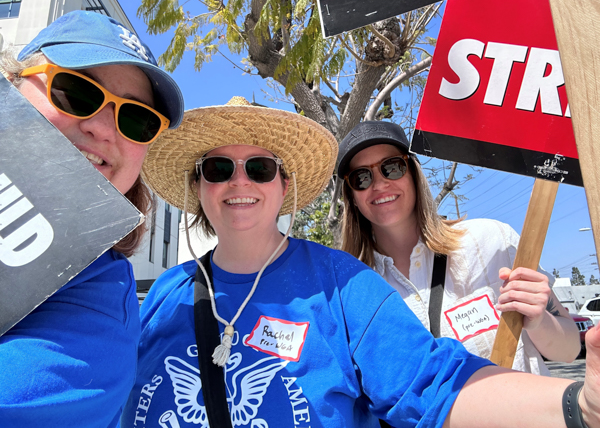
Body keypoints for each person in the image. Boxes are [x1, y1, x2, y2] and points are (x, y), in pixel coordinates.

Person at [121, 97, 599, 428]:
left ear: (283, 186)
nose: (239, 183)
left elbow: (433, 384)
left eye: (260, 168)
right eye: (218, 168)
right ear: (199, 186)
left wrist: (578, 405)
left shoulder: (343, 286)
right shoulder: (164, 293)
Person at [0, 11, 184, 427]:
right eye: (77, 92)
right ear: (12, 84)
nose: (103, 128)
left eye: (138, 120)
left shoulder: (96, 305)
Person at [337, 121, 580, 374]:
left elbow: (570, 350)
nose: (379, 184)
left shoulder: (492, 241)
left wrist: (539, 320)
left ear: (413, 174)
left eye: (392, 167)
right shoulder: (352, 292)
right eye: (361, 177)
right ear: (352, 196)